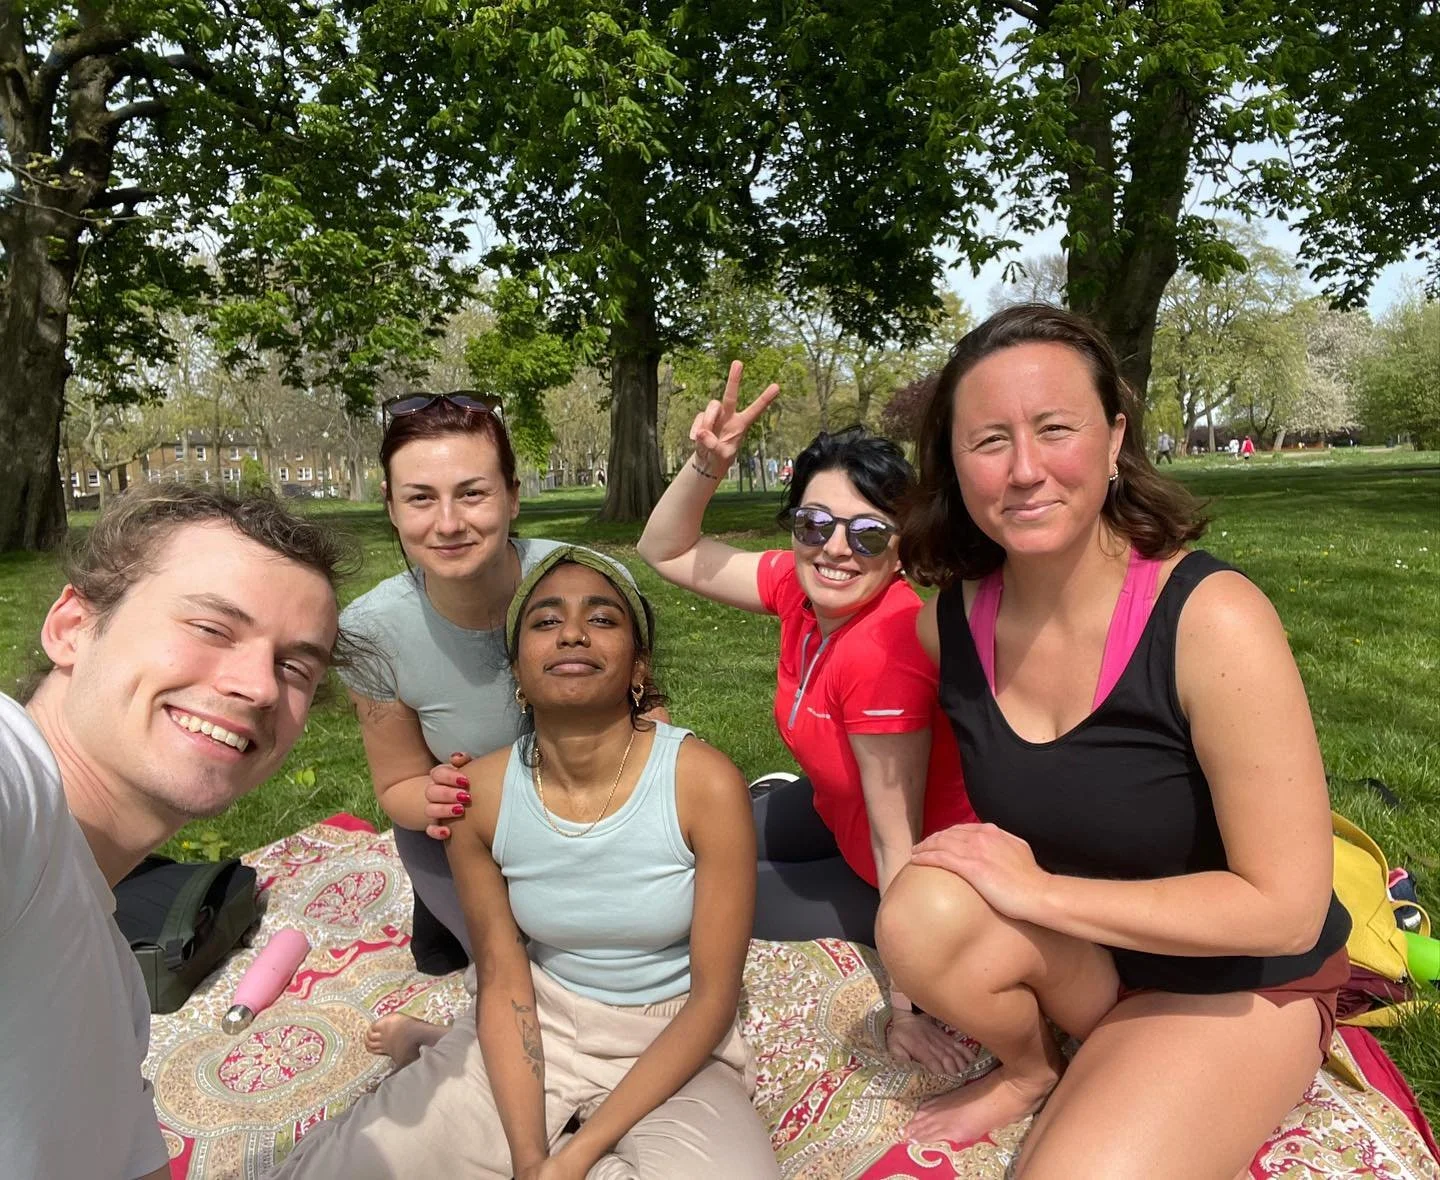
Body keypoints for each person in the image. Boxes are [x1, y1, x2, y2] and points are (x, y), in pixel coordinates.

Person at [874, 305, 1350, 1176]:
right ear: (952, 461)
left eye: (1055, 429)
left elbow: (1285, 908)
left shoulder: (1213, 620)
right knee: (918, 910)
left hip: (1236, 975)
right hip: (1083, 965)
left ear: (1113, 437)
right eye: (987, 441)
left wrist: (1043, 895)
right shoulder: (951, 627)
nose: (1024, 471)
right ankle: (1033, 1069)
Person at [271, 547, 777, 1179]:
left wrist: (577, 1158)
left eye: (601, 619)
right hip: (539, 1022)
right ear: (517, 671)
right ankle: (446, 1051)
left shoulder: (703, 782)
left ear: (638, 668)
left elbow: (714, 997)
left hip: (674, 1039)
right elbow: (505, 981)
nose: (571, 633)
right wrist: (528, 1160)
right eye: (544, 621)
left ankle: (455, 1057)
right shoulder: (476, 797)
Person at [636, 362, 976, 1078]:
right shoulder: (800, 587)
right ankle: (775, 800)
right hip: (830, 802)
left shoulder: (887, 651)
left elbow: (898, 843)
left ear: (902, 546)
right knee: (679, 840)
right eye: (814, 523)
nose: (836, 549)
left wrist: (906, 1009)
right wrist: (706, 466)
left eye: (869, 535)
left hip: (893, 869)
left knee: (689, 893)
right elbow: (665, 550)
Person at [1, 485, 349, 1180]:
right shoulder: (17, 792)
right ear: (72, 627)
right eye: (211, 628)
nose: (257, 687)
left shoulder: (114, 990)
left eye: (294, 666)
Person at [337, 390, 577, 1064]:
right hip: (458, 842)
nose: (447, 523)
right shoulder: (369, 631)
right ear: (390, 505)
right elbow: (398, 786)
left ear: (512, 497)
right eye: (420, 499)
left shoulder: (582, 584)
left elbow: (651, 732)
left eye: (472, 493)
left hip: (582, 826)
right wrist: (433, 794)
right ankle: (442, 1033)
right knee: (524, 993)